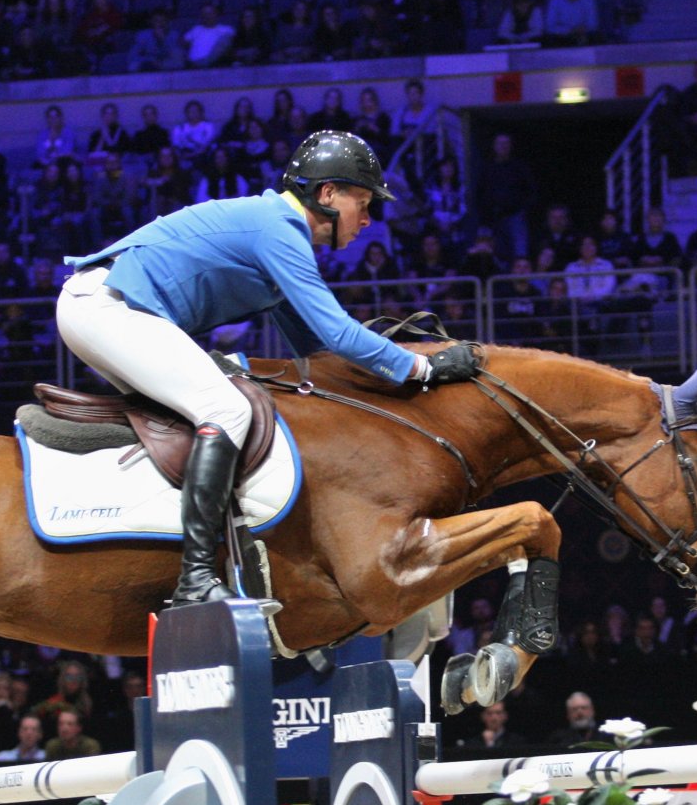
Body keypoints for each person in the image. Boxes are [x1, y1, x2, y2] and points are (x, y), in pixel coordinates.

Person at [57, 132, 482, 607]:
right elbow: (340, 336)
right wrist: (424, 368)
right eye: (361, 202)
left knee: (203, 411)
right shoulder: (279, 229)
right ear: (326, 194)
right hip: (108, 306)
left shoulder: (276, 227)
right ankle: (194, 577)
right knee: (226, 409)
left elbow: (318, 347)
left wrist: (398, 368)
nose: (367, 218)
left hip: (109, 306)